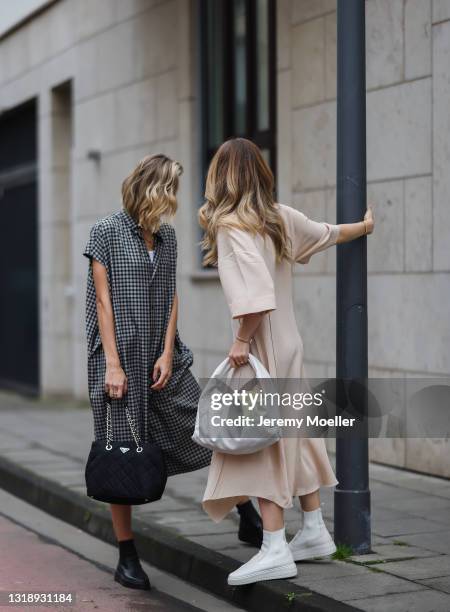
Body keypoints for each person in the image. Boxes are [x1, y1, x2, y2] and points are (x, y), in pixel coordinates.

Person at [198, 138, 375, 586]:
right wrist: (365, 225)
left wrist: (240, 341)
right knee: (294, 433)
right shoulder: (278, 218)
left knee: (257, 444)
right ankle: (314, 530)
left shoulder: (232, 227)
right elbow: (327, 233)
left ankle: (275, 546)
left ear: (221, 177)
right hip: (289, 342)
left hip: (261, 345)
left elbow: (256, 296)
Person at [83, 154, 262, 591]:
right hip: (117, 359)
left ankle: (244, 509)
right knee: (121, 452)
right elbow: (102, 301)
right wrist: (112, 364)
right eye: (171, 189)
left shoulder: (167, 237)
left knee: (203, 425)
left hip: (163, 357)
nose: (175, 199)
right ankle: (127, 555)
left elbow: (171, 296)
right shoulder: (105, 231)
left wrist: (166, 352)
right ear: (153, 189)